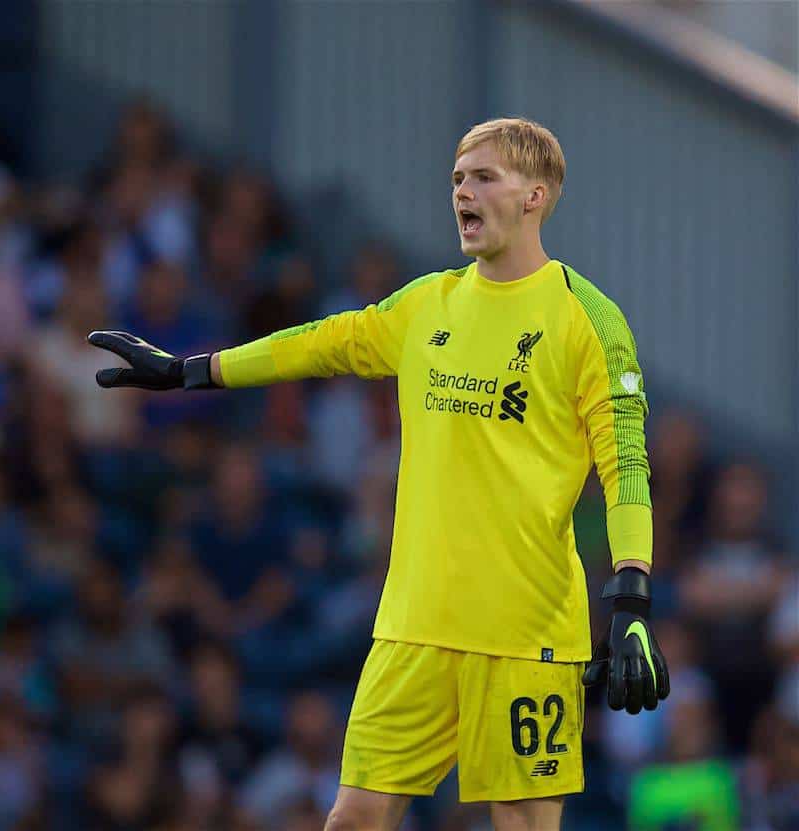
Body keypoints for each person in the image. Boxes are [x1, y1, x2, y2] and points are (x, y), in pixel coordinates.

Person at [88, 118, 670, 831]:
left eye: (483, 176)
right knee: (354, 818)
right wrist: (190, 370)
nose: (462, 189)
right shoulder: (426, 304)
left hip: (528, 633)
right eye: (457, 177)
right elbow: (322, 343)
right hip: (413, 627)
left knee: (520, 825)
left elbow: (627, 467)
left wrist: (633, 596)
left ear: (535, 196)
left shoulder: (589, 319)